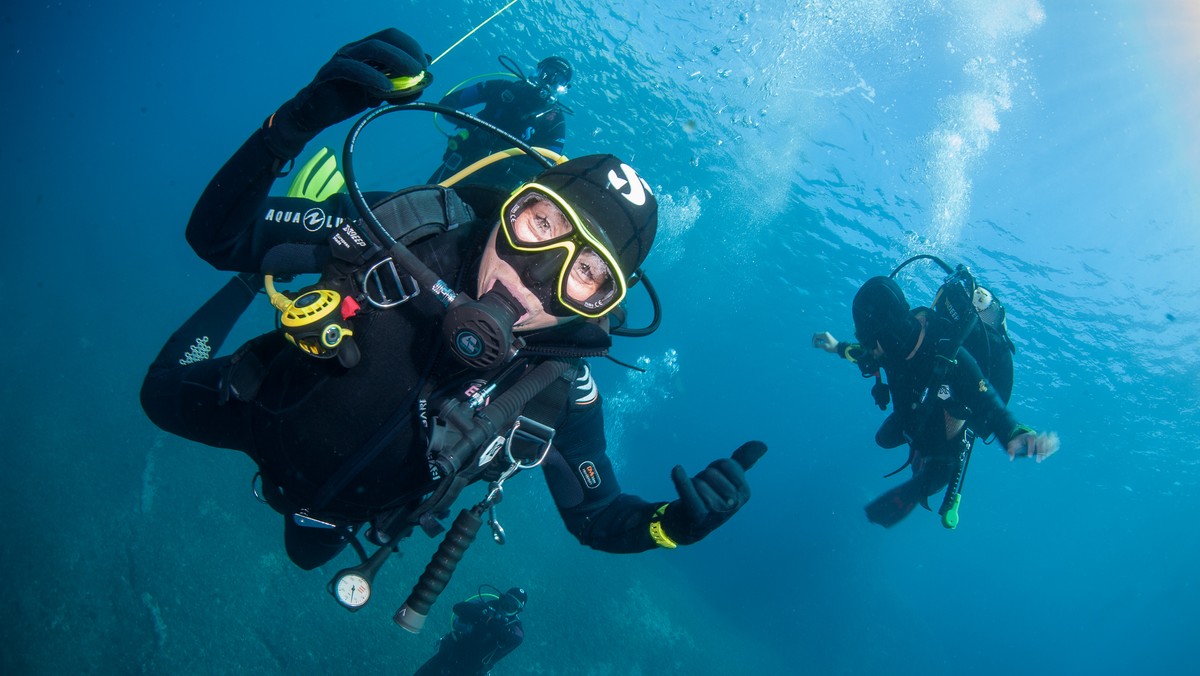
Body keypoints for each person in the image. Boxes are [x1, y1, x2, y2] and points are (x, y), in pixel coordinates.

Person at [140, 28, 766, 575]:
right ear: (509, 206)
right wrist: (296, 122)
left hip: (337, 512)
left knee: (305, 555)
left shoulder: (555, 391)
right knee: (157, 395)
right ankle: (260, 277)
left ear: (601, 305)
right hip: (250, 407)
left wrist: (670, 526)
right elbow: (215, 236)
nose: (533, 277)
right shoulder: (402, 230)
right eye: (541, 224)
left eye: (585, 274)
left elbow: (597, 517)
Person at [813, 273, 1059, 528]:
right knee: (883, 439)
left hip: (944, 422)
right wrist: (837, 347)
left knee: (932, 479)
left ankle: (940, 455)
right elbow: (866, 355)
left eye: (871, 341)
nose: (871, 350)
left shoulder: (951, 357)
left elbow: (988, 403)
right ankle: (918, 445)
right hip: (914, 411)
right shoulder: (891, 343)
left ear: (886, 334)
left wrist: (1012, 434)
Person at [427, 55, 572, 187]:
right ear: (537, 70)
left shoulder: (555, 122)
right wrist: (474, 127)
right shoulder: (501, 88)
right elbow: (447, 103)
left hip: (498, 187)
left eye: (558, 81)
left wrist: (504, 162)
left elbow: (548, 166)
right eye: (546, 73)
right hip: (461, 163)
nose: (548, 82)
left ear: (563, 89)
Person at [415, 587, 527, 676]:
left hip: (471, 672)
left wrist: (488, 622)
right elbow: (459, 607)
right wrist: (487, 619)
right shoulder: (487, 605)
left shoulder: (515, 628)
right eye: (506, 602)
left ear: (518, 611)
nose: (506, 608)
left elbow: (509, 639)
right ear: (501, 598)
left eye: (512, 607)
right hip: (447, 656)